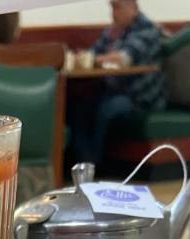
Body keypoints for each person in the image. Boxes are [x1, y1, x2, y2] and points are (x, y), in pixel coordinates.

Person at [71, 1, 166, 169]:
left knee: (105, 109)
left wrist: (92, 59)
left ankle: (93, 165)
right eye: (112, 7)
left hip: (141, 98)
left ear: (132, 7)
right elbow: (94, 52)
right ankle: (81, 164)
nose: (113, 13)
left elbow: (124, 59)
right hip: (116, 91)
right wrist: (85, 57)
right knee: (80, 106)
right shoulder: (114, 30)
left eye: (117, 7)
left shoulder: (147, 30)